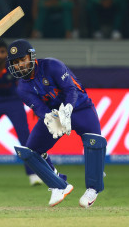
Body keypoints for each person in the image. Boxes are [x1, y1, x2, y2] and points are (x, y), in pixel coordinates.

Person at [7, 39, 106, 208]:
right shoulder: (22, 88)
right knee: (30, 151)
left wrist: (68, 109)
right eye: (15, 63)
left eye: (22, 59)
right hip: (56, 115)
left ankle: (93, 189)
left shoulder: (52, 66)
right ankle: (58, 184)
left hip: (81, 108)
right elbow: (39, 108)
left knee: (94, 143)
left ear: (31, 56)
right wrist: (50, 118)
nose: (20, 65)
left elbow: (70, 89)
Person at [0, 39, 66, 186]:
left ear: (6, 53)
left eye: (2, 52)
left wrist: (36, 106)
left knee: (26, 139)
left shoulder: (13, 66)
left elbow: (27, 84)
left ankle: (34, 174)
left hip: (13, 101)